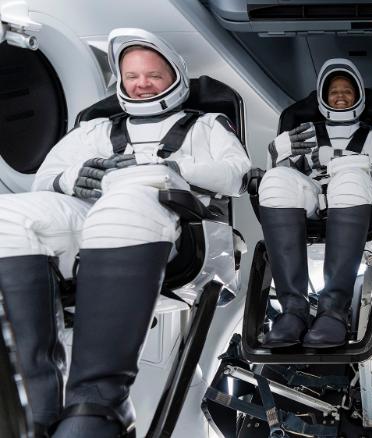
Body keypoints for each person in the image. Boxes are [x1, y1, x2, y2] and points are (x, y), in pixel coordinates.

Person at [0, 28, 250, 437]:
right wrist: (75, 178)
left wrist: (170, 171)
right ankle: (38, 409)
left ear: (175, 77)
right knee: (10, 216)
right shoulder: (94, 130)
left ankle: (99, 404)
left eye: (153, 74)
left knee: (133, 190)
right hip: (93, 219)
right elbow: (44, 180)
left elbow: (236, 176)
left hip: (181, 232)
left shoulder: (205, 125)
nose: (142, 83)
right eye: (133, 76)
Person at [257, 58, 372, 349]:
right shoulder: (306, 131)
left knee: (349, 177)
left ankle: (333, 312)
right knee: (274, 180)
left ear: (358, 96)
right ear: (323, 97)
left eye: (347, 90)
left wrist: (352, 163)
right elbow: (284, 169)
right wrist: (274, 153)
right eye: (333, 90)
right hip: (311, 193)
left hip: (353, 196)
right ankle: (293, 312)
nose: (340, 95)